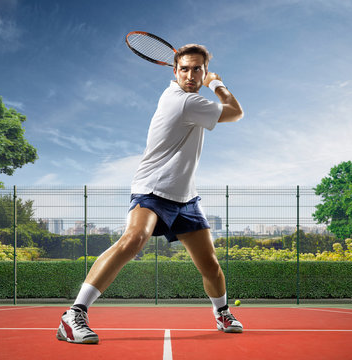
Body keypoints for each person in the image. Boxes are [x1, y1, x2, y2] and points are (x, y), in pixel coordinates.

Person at [57, 44, 244, 344]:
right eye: (185, 69)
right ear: (175, 72)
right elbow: (236, 112)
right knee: (133, 240)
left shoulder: (190, 101)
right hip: (153, 189)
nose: (191, 75)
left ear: (203, 69)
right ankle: (74, 315)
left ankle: (222, 312)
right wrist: (217, 84)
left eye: (198, 69)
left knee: (210, 264)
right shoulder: (182, 101)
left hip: (185, 197)